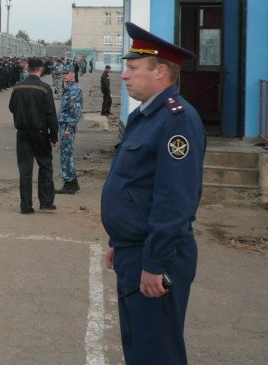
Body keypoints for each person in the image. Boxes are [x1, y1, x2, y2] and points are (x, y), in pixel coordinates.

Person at [101, 22, 205, 365]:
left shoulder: (177, 120)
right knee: (140, 349)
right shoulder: (147, 116)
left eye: (132, 68)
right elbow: (136, 185)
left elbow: (175, 201)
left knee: (158, 353)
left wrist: (155, 262)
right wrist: (119, 240)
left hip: (155, 257)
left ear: (161, 71)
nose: (124, 76)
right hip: (135, 250)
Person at [8, 57, 58, 214]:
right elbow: (51, 114)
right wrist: (54, 136)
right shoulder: (44, 88)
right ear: (41, 69)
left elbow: (12, 107)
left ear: (28, 68)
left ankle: (26, 205)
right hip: (40, 132)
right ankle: (46, 202)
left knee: (25, 168)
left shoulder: (17, 87)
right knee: (45, 165)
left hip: (22, 132)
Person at [55, 65, 83, 195]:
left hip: (67, 126)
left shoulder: (74, 90)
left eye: (67, 73)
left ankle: (69, 184)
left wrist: (69, 128)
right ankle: (73, 183)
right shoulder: (69, 89)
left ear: (73, 74)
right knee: (66, 154)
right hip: (65, 125)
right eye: (63, 73)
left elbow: (76, 112)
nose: (64, 75)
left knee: (66, 155)